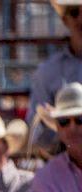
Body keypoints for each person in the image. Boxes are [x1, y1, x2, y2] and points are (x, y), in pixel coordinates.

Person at [27, 0, 82, 149]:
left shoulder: (48, 72)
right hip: (64, 156)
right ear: (65, 19)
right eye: (74, 12)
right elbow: (36, 131)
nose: (81, 18)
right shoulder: (47, 72)